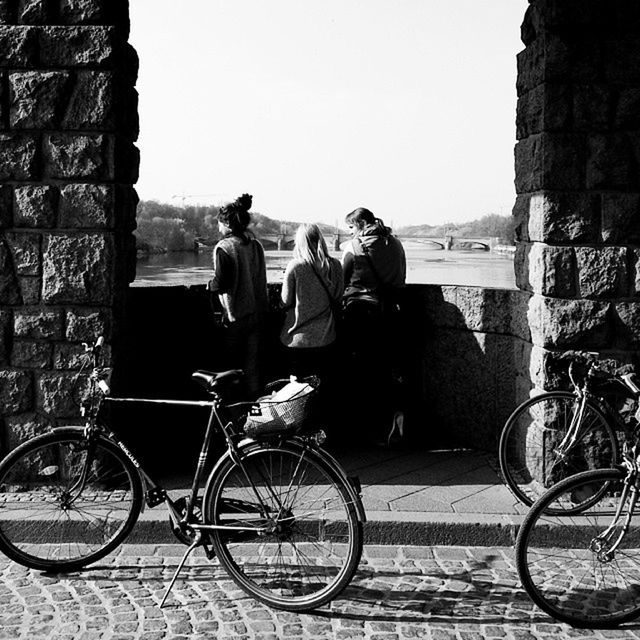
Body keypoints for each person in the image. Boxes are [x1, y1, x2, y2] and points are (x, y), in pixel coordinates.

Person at [341, 207, 407, 446]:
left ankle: (371, 429)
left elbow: (341, 283)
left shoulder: (355, 248)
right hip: (392, 312)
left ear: (359, 225)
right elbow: (401, 278)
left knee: (364, 370)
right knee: (391, 368)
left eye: (350, 227)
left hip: (362, 314)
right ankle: (397, 413)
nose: (348, 232)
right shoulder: (396, 244)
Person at [208, 193, 268, 398]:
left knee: (230, 368)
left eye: (219, 223)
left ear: (227, 224)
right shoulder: (255, 245)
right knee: (253, 366)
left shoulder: (225, 247)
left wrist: (210, 285)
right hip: (257, 313)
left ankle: (231, 413)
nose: (218, 228)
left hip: (235, 316)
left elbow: (221, 282)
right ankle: (255, 410)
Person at [280, 223, 343, 382]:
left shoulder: (296, 266)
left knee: (298, 387)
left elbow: (285, 301)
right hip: (326, 337)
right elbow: (338, 297)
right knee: (324, 382)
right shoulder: (335, 265)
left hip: (298, 340)